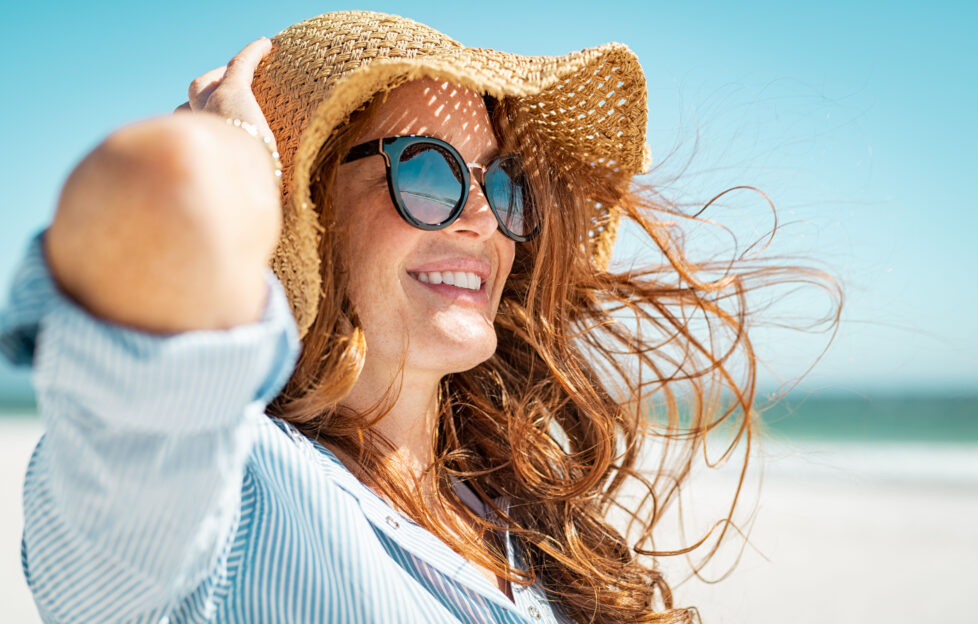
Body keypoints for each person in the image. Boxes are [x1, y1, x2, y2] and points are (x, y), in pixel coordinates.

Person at [0, 10, 832, 624]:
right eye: (427, 174)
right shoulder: (220, 496)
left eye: (502, 184)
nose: (480, 217)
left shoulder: (512, 518)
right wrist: (237, 160)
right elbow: (159, 184)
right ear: (308, 210)